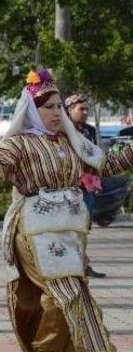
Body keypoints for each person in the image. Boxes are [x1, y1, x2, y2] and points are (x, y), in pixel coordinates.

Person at [0, 69, 133, 352]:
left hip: (68, 230)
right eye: (49, 107)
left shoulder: (73, 141)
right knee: (65, 291)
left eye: (59, 106)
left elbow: (107, 163)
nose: (57, 113)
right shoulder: (19, 143)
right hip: (34, 227)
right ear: (31, 110)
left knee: (65, 294)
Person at [65, 92, 105, 278]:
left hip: (88, 186)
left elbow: (97, 155)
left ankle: (82, 264)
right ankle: (72, 265)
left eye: (87, 109)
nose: (85, 112)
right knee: (68, 227)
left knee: (83, 227)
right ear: (70, 110)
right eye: (81, 109)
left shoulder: (89, 130)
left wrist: (97, 180)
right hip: (68, 186)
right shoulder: (63, 131)